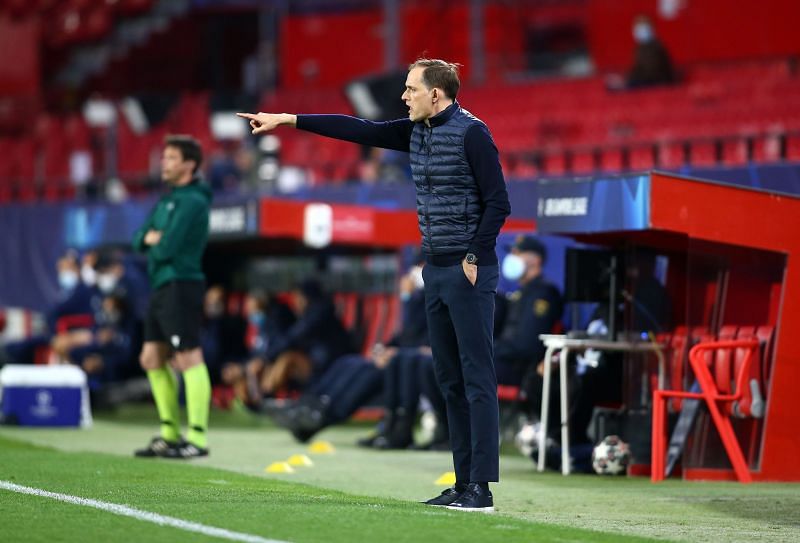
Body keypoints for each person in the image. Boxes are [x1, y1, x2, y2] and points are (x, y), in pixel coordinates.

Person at [238, 58, 511, 512]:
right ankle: (463, 483)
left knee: (476, 379)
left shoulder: (472, 133)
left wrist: (473, 255)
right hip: (434, 269)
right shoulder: (415, 131)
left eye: (410, 89)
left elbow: (498, 202)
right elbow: (356, 129)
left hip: (467, 270)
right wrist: (288, 119)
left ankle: (481, 488)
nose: (403, 97)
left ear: (436, 94)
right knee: (448, 380)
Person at [131, 135, 213, 459]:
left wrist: (154, 240)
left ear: (189, 164)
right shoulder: (168, 200)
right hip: (162, 284)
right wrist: (150, 239)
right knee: (151, 358)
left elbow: (167, 246)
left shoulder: (193, 201)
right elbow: (139, 238)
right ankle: (169, 433)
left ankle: (198, 438)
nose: (163, 163)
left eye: (171, 158)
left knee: (188, 357)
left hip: (182, 283)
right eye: (164, 157)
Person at [495, 236, 563, 387]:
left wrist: (490, 350)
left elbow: (527, 345)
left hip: (520, 369)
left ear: (535, 260)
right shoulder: (522, 293)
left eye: (517, 253)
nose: (512, 258)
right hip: (504, 360)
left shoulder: (543, 293)